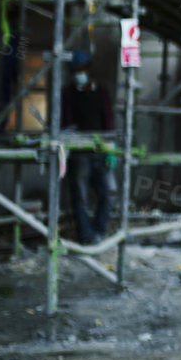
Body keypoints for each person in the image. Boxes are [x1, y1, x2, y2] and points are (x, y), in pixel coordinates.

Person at [59, 50, 114, 245]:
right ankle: (85, 235)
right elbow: (66, 123)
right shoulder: (68, 93)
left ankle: (98, 231)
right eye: (75, 70)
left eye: (81, 69)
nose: (78, 73)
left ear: (88, 69)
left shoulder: (101, 92)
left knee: (108, 194)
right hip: (79, 152)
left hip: (100, 150)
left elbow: (108, 122)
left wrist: (110, 150)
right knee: (79, 195)